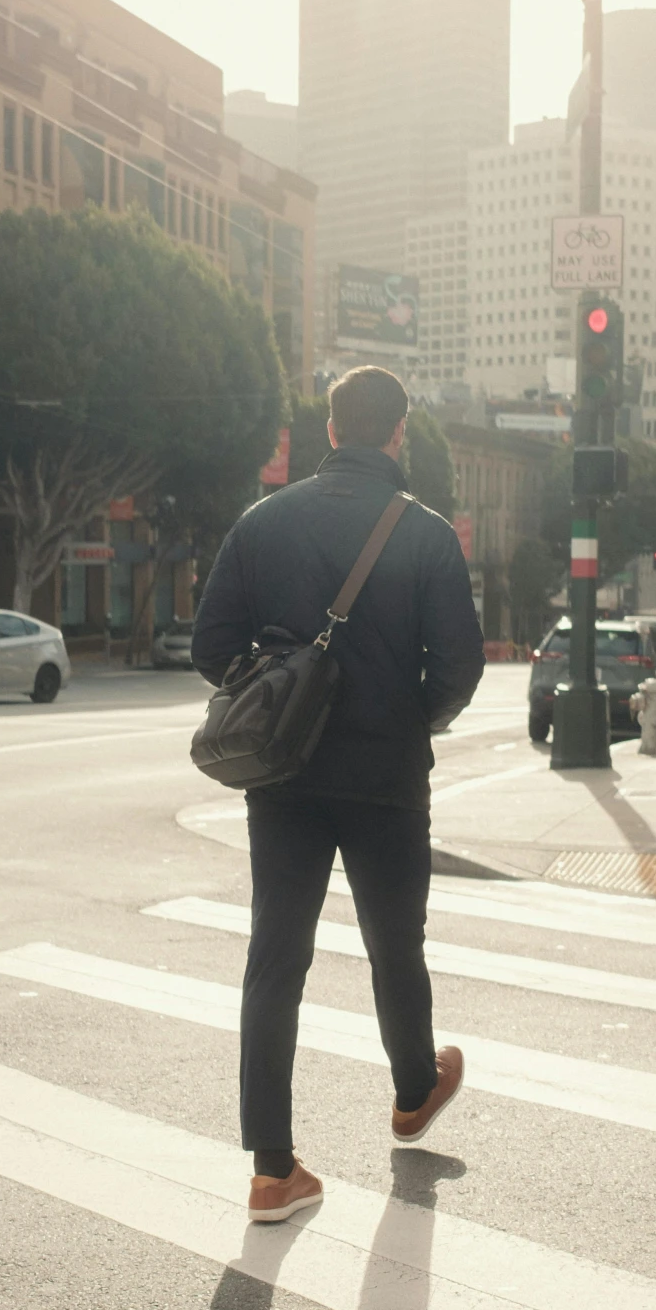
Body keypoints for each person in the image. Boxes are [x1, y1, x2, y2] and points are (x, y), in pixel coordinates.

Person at [192, 366, 485, 1224]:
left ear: (329, 430)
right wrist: (402, 717)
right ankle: (411, 1091)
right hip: (387, 777)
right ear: (397, 434)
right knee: (396, 944)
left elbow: (212, 647)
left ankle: (272, 1171)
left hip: (282, 777)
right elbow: (460, 669)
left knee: (274, 957)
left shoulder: (261, 522)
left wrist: (285, 699)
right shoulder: (426, 533)